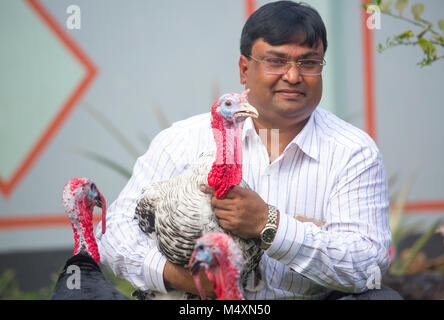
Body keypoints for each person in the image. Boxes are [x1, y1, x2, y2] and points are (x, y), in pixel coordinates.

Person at [96, 1, 402, 299]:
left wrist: (269, 224)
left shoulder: (352, 151)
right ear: (244, 69)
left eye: (308, 62)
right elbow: (115, 233)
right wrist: (182, 279)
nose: (293, 76)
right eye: (276, 61)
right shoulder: (182, 140)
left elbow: (368, 265)